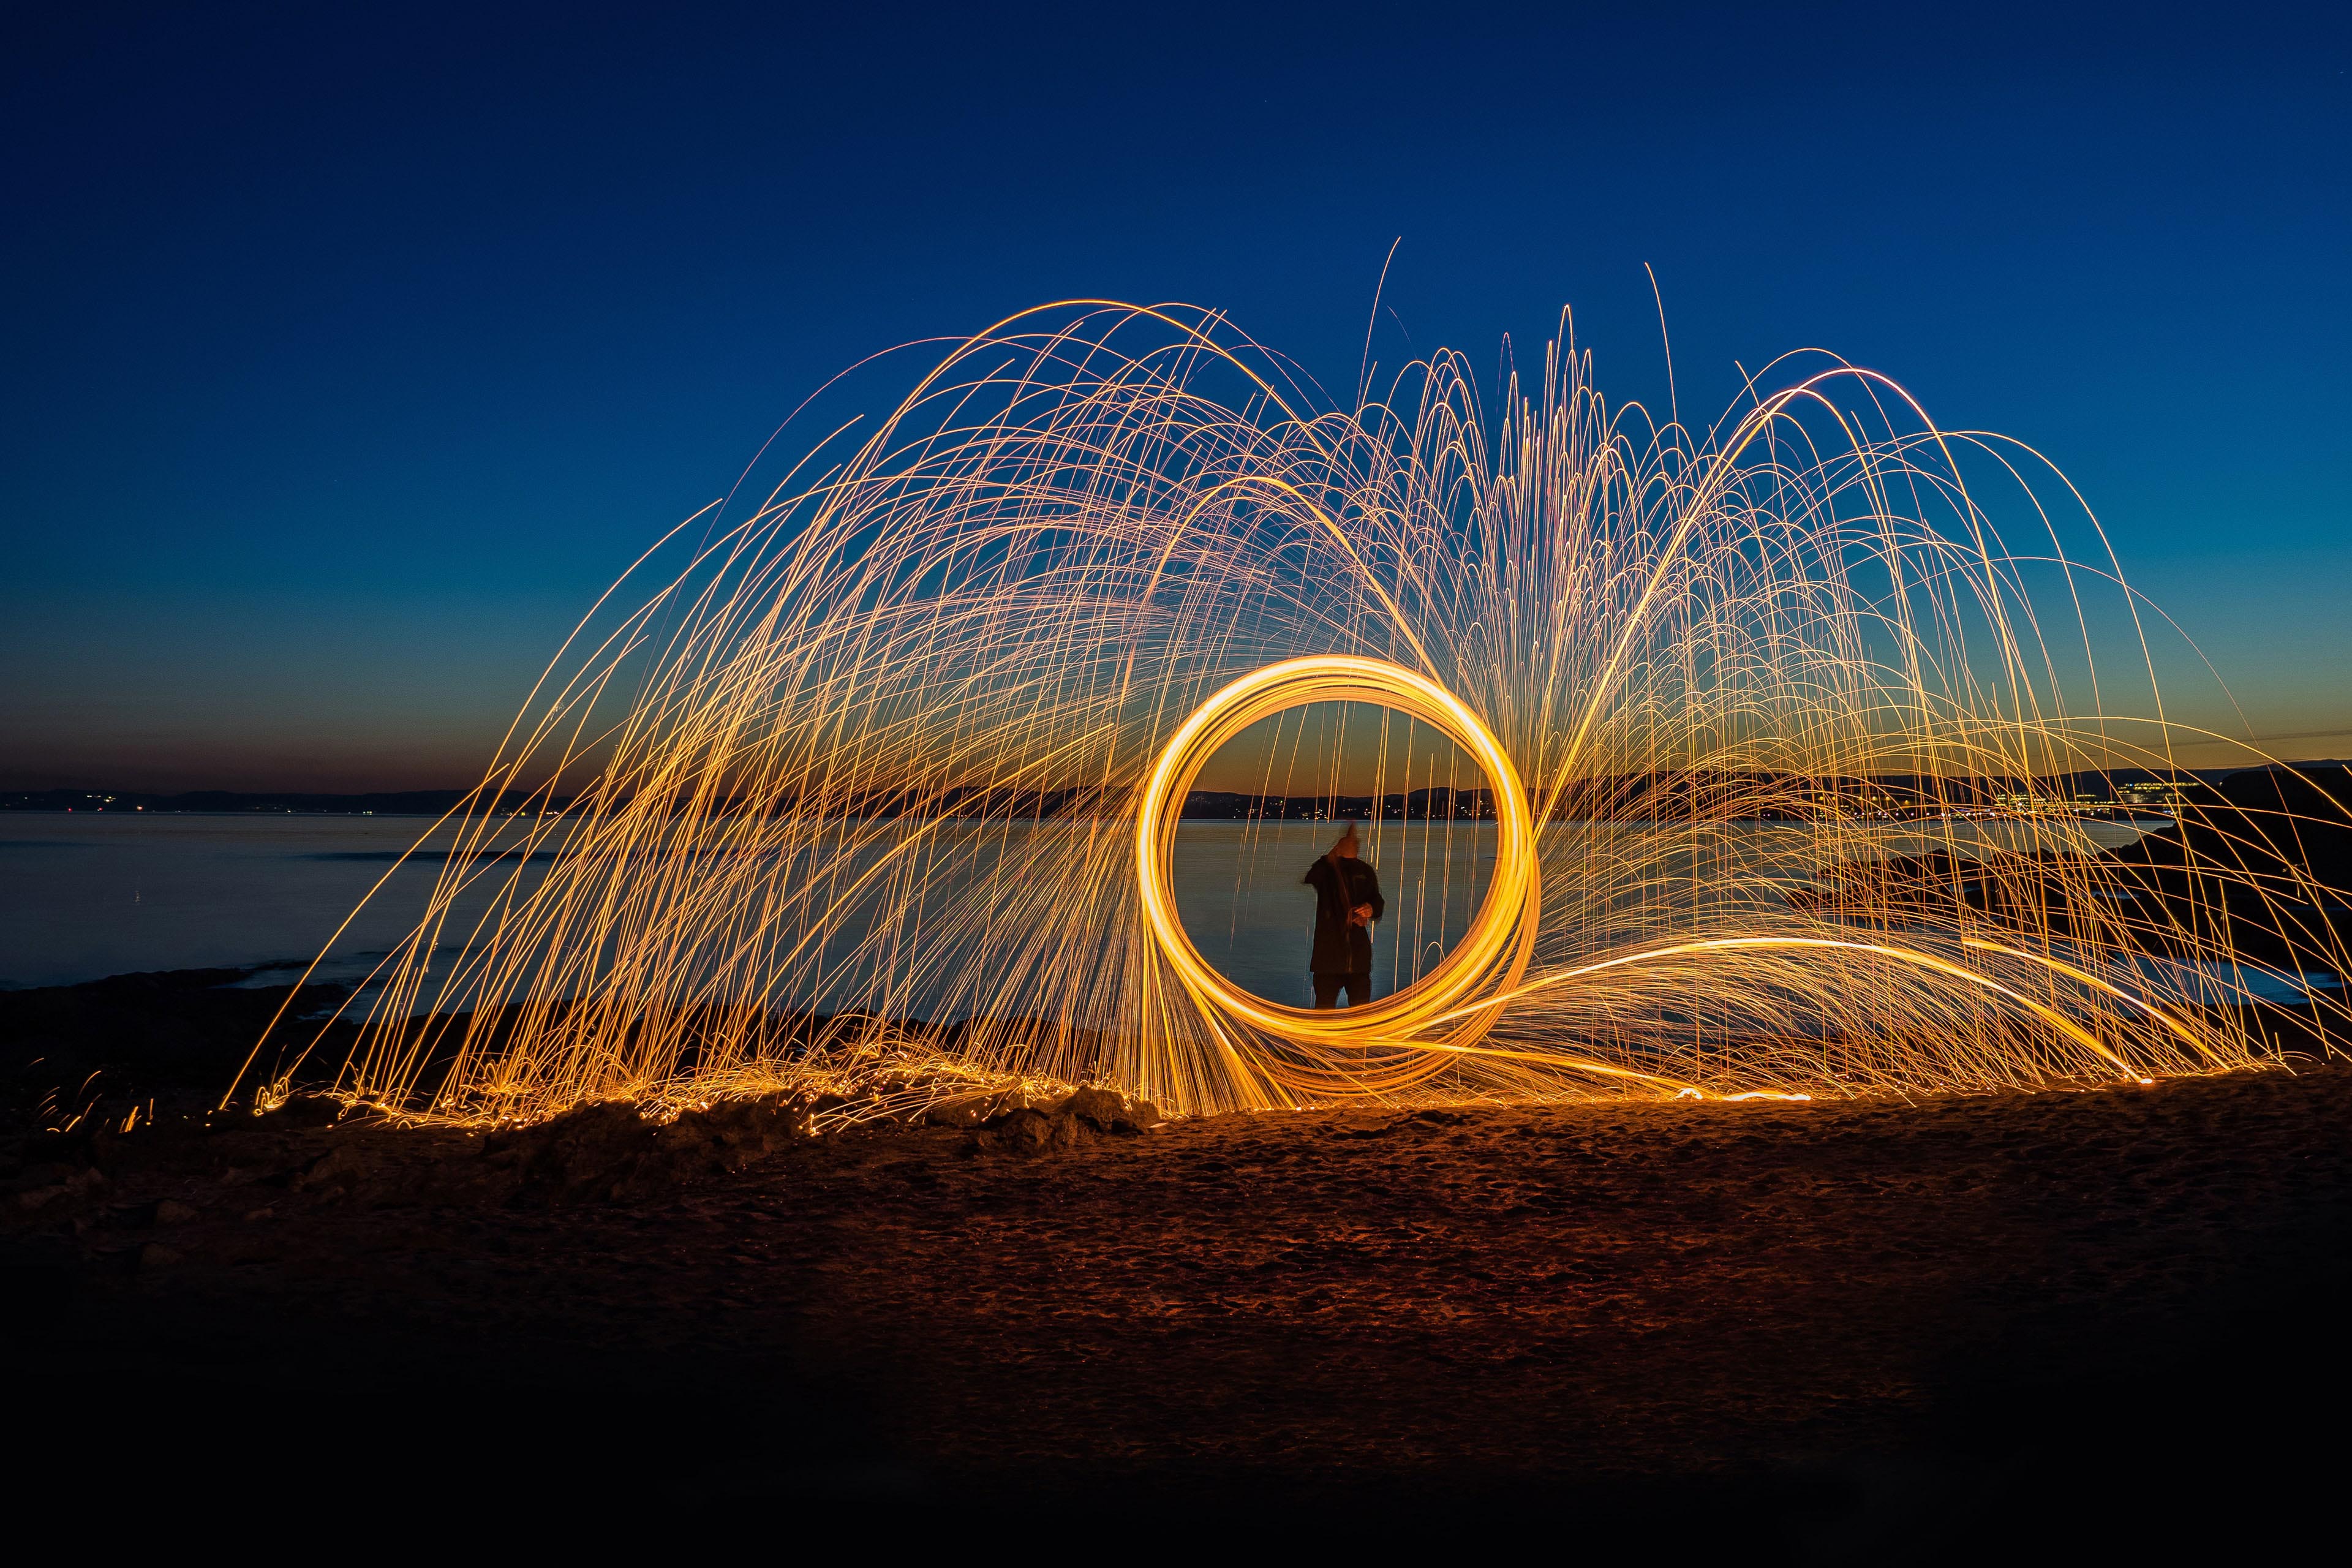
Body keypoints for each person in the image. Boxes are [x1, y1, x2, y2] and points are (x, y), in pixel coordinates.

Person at [1302, 821, 1384, 1008]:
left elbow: (1377, 901)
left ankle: (1356, 1037)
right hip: (1328, 959)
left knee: (1360, 1010)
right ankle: (1324, 1038)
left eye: (1355, 841)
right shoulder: (1328, 870)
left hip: (1358, 959)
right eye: (1351, 842)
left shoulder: (1365, 871)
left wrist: (1370, 909)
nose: (1356, 844)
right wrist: (1332, 855)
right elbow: (1311, 878)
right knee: (1325, 1010)